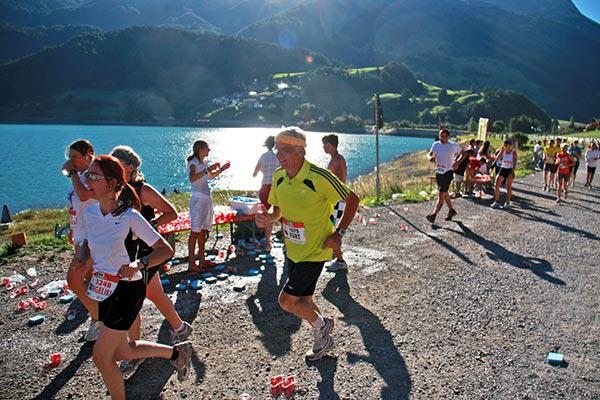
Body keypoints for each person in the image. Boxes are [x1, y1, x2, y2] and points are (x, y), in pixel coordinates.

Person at [69, 155, 192, 400]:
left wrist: (138, 263)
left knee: (102, 357)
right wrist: (84, 259)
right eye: (86, 175)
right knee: (122, 350)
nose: (86, 180)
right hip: (104, 288)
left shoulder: (130, 217)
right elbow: (88, 246)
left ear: (113, 183)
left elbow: (165, 250)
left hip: (127, 290)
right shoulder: (91, 213)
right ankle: (178, 354)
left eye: (93, 176)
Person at [255, 127, 359, 361]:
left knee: (286, 301)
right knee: (305, 301)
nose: (279, 155)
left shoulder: (319, 177)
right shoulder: (280, 177)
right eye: (277, 149)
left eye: (286, 150)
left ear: (301, 150)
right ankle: (322, 340)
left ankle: (323, 325)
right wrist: (267, 218)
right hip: (293, 250)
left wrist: (339, 232)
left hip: (315, 250)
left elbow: (352, 199)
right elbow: (277, 211)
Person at [110, 146, 193, 378]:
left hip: (145, 254)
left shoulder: (142, 190)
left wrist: (150, 226)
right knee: (154, 293)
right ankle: (179, 327)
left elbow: (171, 212)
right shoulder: (115, 189)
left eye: (116, 162)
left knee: (131, 302)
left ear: (130, 167)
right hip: (126, 252)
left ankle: (133, 351)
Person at [62, 139, 102, 342]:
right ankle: (99, 319)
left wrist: (71, 174)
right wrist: (72, 227)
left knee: (74, 279)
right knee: (88, 280)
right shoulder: (80, 175)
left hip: (93, 237)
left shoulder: (95, 173)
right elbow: (77, 204)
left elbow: (85, 196)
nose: (72, 161)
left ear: (89, 154)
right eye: (70, 158)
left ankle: (99, 319)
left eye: (75, 157)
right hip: (82, 235)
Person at [186, 140, 230, 272]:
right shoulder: (193, 162)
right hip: (198, 199)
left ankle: (202, 259)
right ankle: (191, 264)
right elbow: (192, 178)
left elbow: (210, 176)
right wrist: (207, 170)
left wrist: (221, 169)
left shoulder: (203, 163)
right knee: (195, 231)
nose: (209, 150)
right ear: (200, 149)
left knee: (203, 230)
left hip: (206, 198)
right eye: (207, 148)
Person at [426, 129, 466, 224]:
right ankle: (451, 210)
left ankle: (433, 215)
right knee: (444, 193)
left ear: (448, 137)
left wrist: (457, 162)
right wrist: (430, 158)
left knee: (441, 194)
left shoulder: (453, 146)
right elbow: (429, 154)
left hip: (447, 173)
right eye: (440, 136)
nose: (441, 138)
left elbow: (464, 154)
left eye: (444, 136)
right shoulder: (436, 144)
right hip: (439, 172)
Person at [322, 134, 349, 272]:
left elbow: (341, 181)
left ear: (331, 145)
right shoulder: (334, 159)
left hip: (338, 200)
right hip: (334, 200)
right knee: (330, 227)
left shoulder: (338, 159)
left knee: (333, 229)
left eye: (325, 144)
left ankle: (340, 260)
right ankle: (337, 257)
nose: (323, 147)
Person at [253, 136, 280, 252]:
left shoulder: (263, 156)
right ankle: (285, 241)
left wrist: (265, 171)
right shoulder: (279, 156)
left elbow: (254, 174)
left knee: (266, 214)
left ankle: (268, 242)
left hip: (264, 187)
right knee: (280, 213)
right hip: (277, 187)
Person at [491, 140, 517, 209]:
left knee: (508, 187)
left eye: (506, 145)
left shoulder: (513, 153)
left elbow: (514, 163)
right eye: (504, 145)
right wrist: (501, 151)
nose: (504, 147)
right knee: (496, 185)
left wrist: (512, 172)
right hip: (503, 168)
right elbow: (497, 159)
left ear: (510, 146)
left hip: (510, 170)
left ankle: (507, 203)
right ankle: (497, 202)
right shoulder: (503, 152)